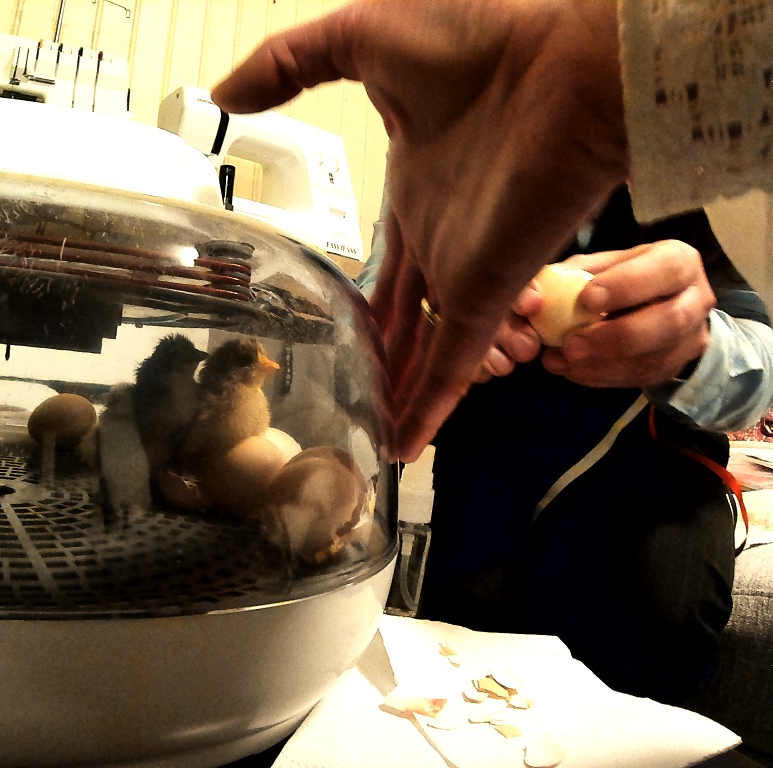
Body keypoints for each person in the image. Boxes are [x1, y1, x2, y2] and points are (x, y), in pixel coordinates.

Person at [212, 0, 773, 463]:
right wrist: (429, 321)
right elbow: (388, 297)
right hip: (482, 483)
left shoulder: (736, 113)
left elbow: (764, 364)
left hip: (654, 492)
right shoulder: (468, 117)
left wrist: (695, 349)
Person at [358, 183, 773, 704]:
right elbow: (377, 299)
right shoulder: (450, 147)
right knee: (449, 659)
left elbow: (760, 355)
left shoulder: (737, 160)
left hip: (655, 457)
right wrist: (419, 313)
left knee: (659, 618)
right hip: (483, 443)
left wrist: (698, 347)